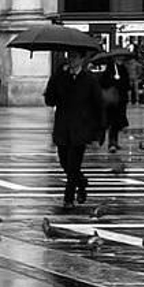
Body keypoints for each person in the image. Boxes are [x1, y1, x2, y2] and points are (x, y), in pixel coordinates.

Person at [45, 48, 105, 211]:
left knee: (73, 164)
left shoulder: (89, 79)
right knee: (64, 163)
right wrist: (56, 77)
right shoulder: (60, 77)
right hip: (63, 126)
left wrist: (100, 129)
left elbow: (98, 105)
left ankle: (68, 197)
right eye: (69, 56)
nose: (70, 60)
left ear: (82, 60)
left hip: (81, 128)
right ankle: (82, 182)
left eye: (74, 57)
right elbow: (49, 99)